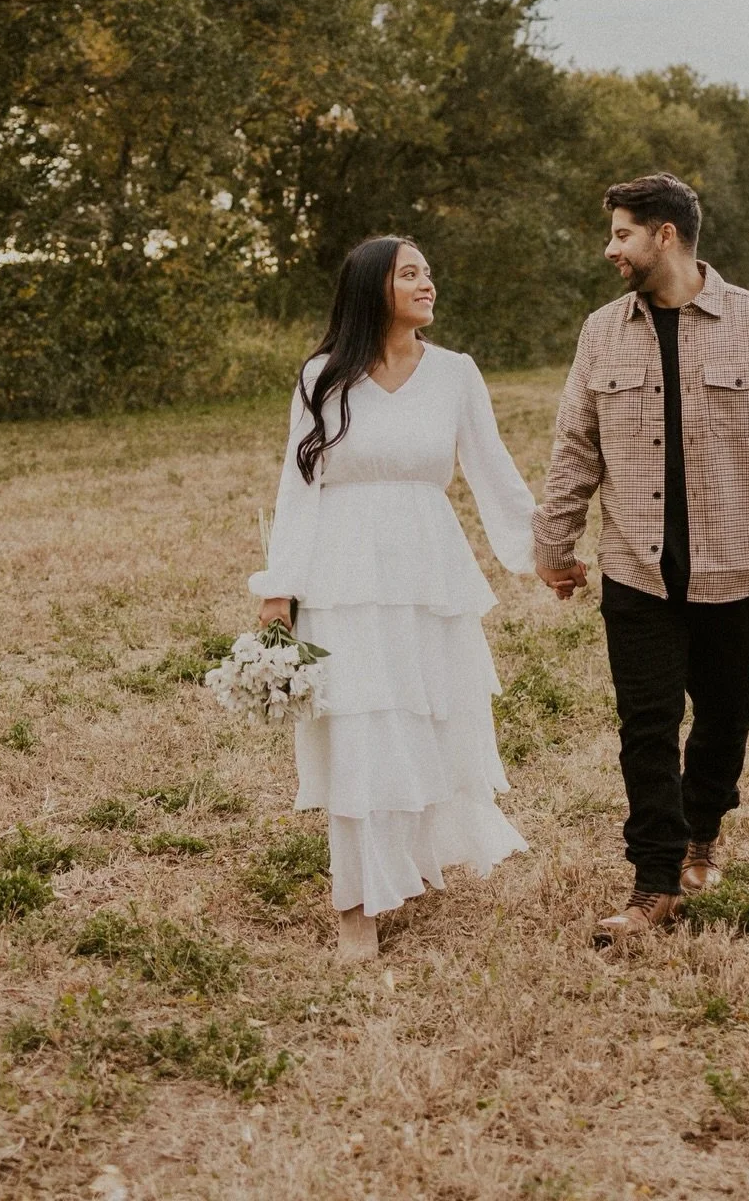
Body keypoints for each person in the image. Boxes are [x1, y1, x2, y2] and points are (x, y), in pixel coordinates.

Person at [532, 173, 749, 941]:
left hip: (732, 568)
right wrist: (554, 545)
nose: (611, 248)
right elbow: (575, 447)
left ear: (665, 235)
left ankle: (703, 832)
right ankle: (654, 883)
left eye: (622, 233)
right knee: (647, 729)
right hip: (636, 570)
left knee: (726, 718)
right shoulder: (601, 332)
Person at [249, 235, 535, 961]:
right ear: (373, 287)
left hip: (429, 576)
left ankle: (406, 864)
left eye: (428, 273)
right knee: (359, 730)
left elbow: (494, 472)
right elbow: (298, 486)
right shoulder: (323, 377)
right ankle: (357, 906)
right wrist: (280, 587)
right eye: (411, 274)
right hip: (343, 575)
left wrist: (544, 552)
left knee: (426, 723)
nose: (427, 284)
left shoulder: (456, 374)